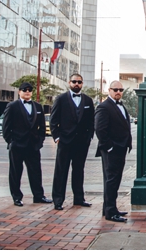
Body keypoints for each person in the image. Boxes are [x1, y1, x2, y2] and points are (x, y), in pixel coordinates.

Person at [2, 82, 52, 207]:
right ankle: (17, 197)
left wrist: (40, 141)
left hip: (33, 146)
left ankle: (38, 196)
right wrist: (11, 142)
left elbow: (41, 127)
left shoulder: (37, 106)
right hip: (17, 145)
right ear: (19, 92)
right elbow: (6, 127)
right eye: (24, 90)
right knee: (15, 172)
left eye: (30, 90)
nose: (27, 92)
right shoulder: (12, 106)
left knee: (36, 172)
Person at [50, 73, 95, 210]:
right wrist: (57, 138)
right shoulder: (61, 99)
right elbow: (53, 120)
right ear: (69, 82)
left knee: (79, 171)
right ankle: (58, 200)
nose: (77, 84)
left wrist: (89, 138)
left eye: (79, 82)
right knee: (61, 171)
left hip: (81, 143)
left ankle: (79, 199)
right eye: (74, 81)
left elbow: (91, 121)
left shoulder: (88, 100)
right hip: (65, 141)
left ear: (82, 84)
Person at [95, 81, 132, 222]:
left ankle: (110, 208)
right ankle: (110, 212)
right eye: (115, 89)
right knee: (111, 180)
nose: (118, 92)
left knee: (114, 180)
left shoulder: (121, 106)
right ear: (109, 90)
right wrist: (109, 146)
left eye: (121, 89)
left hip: (121, 148)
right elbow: (99, 129)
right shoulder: (104, 107)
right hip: (112, 150)